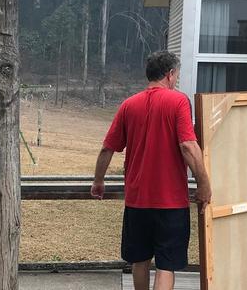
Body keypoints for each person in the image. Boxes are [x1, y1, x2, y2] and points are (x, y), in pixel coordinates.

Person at [91, 51, 212, 290]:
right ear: (170, 74)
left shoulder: (128, 105)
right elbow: (188, 145)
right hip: (171, 203)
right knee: (166, 265)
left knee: (140, 260)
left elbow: (107, 148)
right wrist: (204, 184)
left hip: (137, 201)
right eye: (176, 74)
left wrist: (98, 180)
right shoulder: (178, 101)